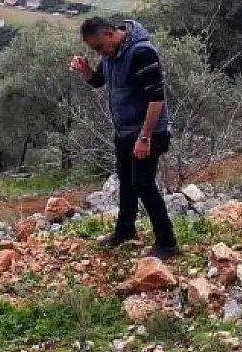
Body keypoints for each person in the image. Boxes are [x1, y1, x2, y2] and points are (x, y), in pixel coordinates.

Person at [70, 17, 179, 259]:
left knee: (143, 184)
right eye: (93, 50)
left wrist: (145, 137)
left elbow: (157, 99)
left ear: (111, 34)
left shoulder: (141, 53)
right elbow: (99, 81)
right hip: (125, 131)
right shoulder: (111, 55)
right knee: (127, 181)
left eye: (98, 47)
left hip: (149, 132)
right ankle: (125, 230)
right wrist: (85, 71)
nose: (99, 53)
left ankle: (167, 241)